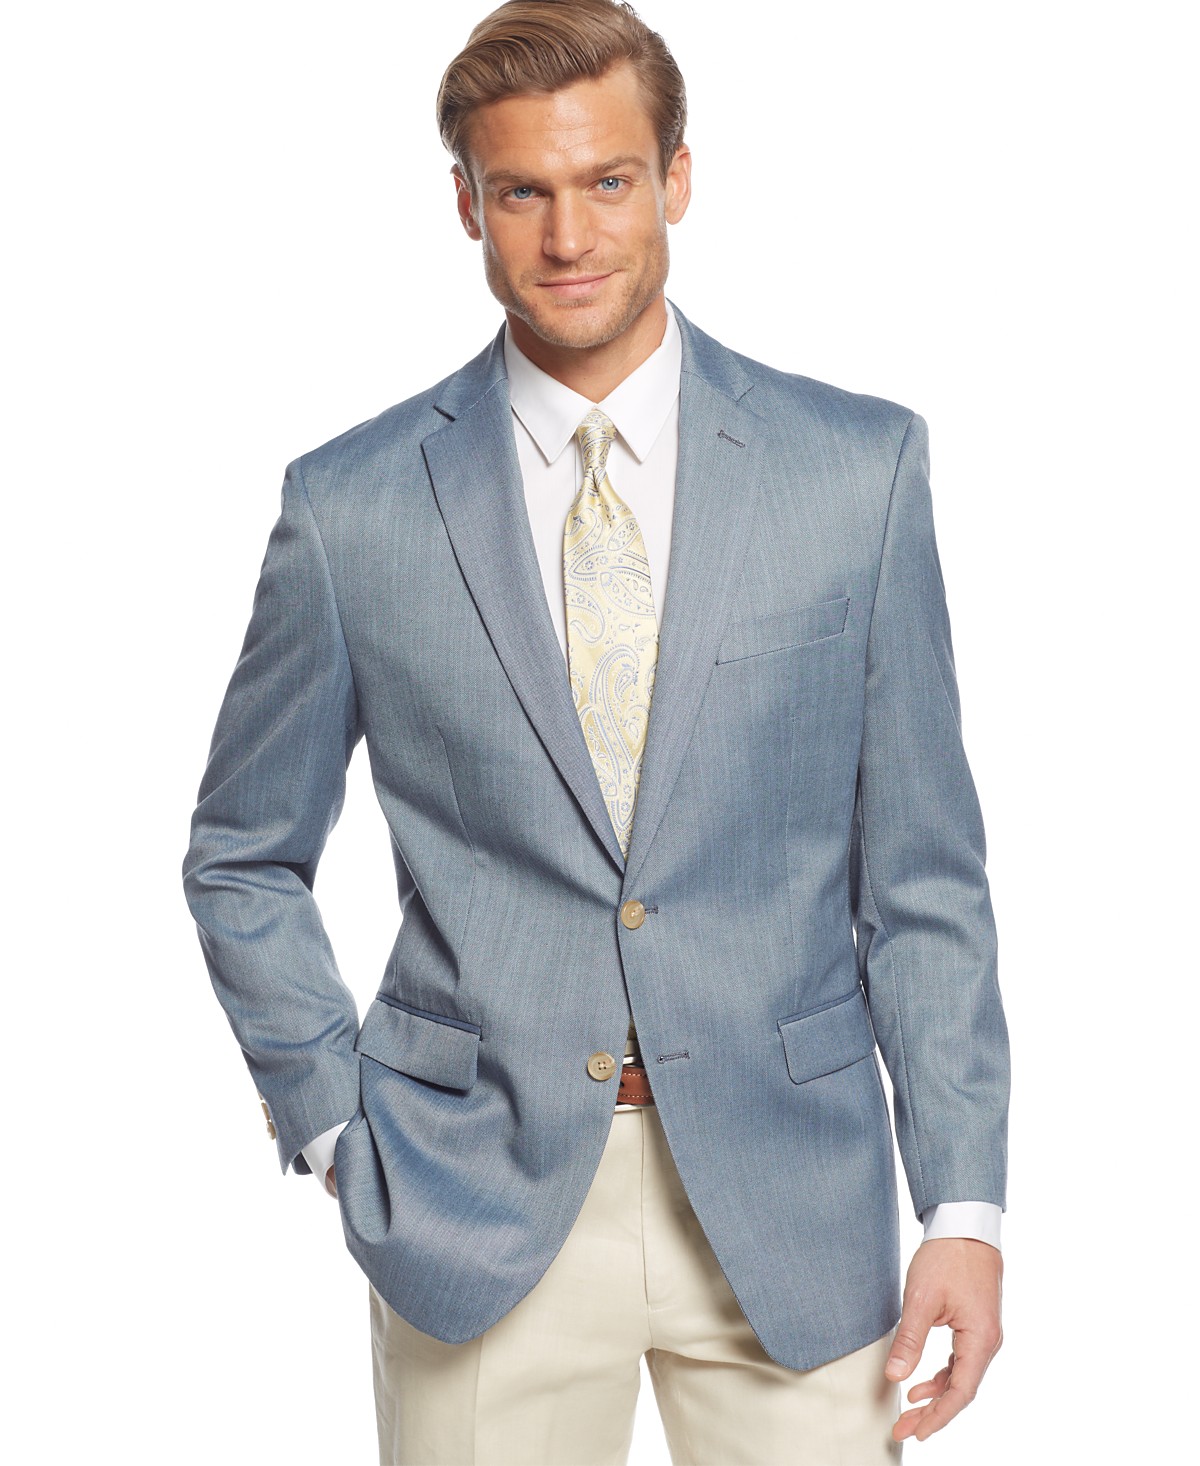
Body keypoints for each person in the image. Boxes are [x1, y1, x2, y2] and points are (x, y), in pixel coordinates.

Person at [182, 2, 1010, 1460]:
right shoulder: (352, 506)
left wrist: (965, 1203)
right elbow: (243, 852)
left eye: (609, 180)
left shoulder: (856, 471)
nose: (569, 236)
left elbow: (923, 878)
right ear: (466, 204)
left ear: (677, 178)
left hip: (793, 1205)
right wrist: (333, 1125)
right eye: (523, 190)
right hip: (468, 1202)